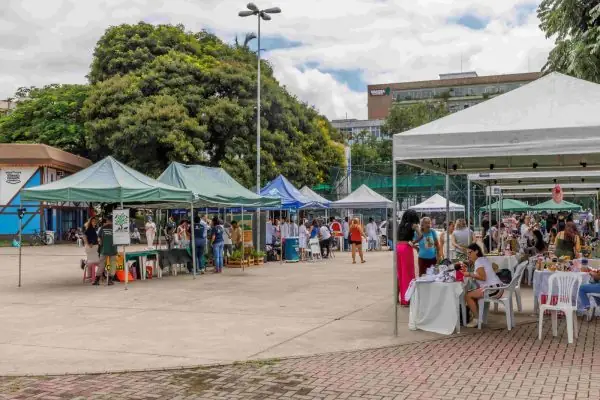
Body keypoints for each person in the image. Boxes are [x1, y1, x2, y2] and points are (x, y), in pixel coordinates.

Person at [462, 243, 504, 328]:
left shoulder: (479, 261)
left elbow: (483, 277)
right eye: (467, 253)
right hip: (498, 287)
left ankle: (477, 319)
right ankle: (477, 317)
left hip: (494, 289)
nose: (468, 255)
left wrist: (468, 274)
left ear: (476, 251)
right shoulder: (482, 259)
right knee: (472, 294)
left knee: (468, 296)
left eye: (470, 252)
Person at [397, 210, 420, 305]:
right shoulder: (413, 225)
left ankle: (402, 298)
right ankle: (408, 299)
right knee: (408, 274)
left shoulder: (400, 225)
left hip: (398, 248)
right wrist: (413, 243)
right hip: (406, 248)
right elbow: (421, 236)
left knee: (401, 273)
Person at [97, 216, 118, 285]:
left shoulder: (102, 228)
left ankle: (97, 280)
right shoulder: (116, 228)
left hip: (104, 249)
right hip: (113, 249)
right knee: (113, 264)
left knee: (101, 264)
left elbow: (99, 239)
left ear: (107, 221)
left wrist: (102, 244)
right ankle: (110, 280)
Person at [83, 217, 100, 284]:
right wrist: (89, 243)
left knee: (91, 261)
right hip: (92, 247)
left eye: (95, 221)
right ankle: (97, 276)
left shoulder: (92, 229)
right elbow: (84, 236)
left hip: (92, 247)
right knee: (98, 262)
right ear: (90, 222)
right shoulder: (90, 229)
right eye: (93, 221)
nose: (94, 222)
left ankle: (90, 275)